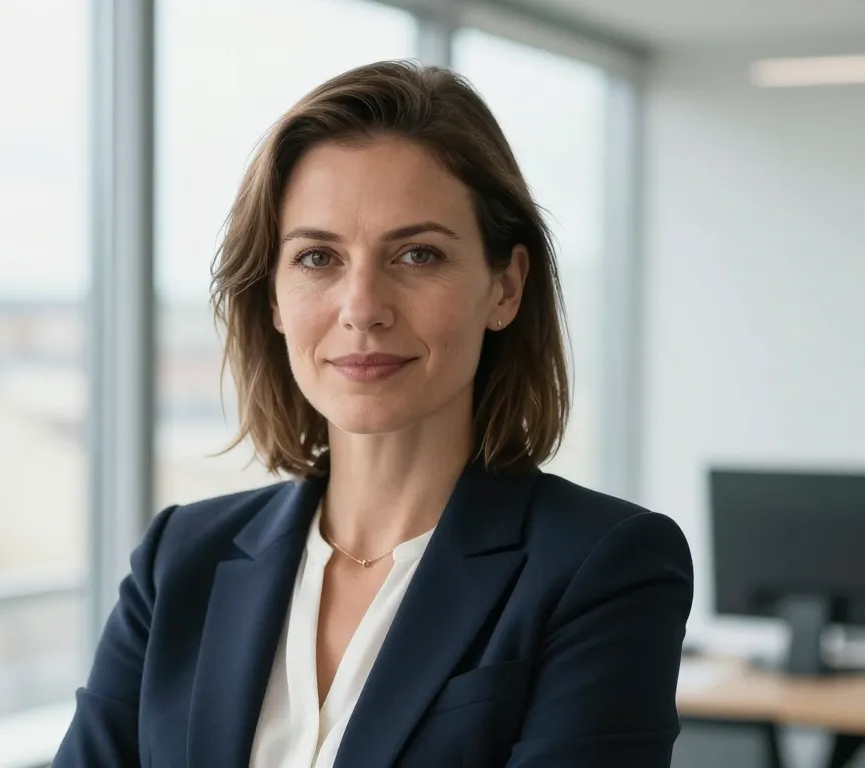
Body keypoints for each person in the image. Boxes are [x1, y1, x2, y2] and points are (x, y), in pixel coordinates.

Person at [52, 60, 693, 768]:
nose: (362, 309)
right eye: (318, 257)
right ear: (272, 297)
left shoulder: (604, 568)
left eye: (418, 255)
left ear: (505, 287)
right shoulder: (181, 560)